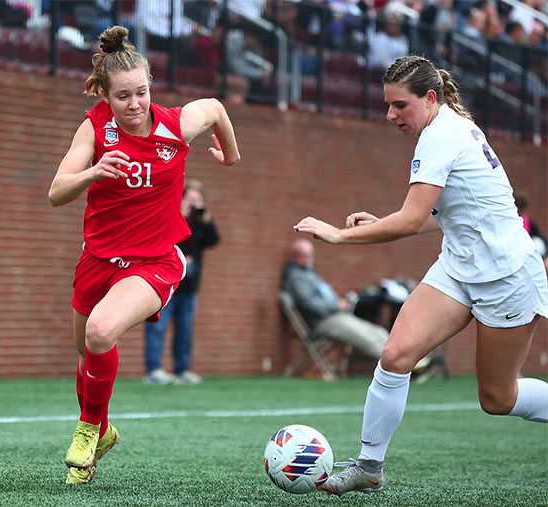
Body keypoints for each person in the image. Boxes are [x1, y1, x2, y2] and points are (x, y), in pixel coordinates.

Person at [294, 55, 548, 497]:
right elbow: (441, 211)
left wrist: (338, 235)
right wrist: (379, 221)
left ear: (430, 98)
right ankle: (369, 469)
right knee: (394, 356)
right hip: (458, 267)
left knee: (497, 399)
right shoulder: (441, 127)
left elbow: (411, 222)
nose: (390, 115)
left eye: (399, 106)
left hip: (507, 276)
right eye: (388, 105)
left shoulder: (442, 135)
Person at [47, 25, 240, 485]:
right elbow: (56, 192)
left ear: (151, 87)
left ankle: (87, 430)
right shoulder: (95, 128)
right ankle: (105, 431)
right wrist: (94, 171)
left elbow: (213, 107)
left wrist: (230, 154)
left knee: (99, 330)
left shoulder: (175, 125)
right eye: (122, 96)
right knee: (86, 350)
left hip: (154, 261)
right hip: (97, 258)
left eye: (142, 93)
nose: (134, 105)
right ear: (105, 95)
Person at [143, 179, 220, 385]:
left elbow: (214, 241)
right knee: (157, 326)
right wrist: (180, 214)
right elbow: (161, 238)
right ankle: (154, 369)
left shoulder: (200, 223)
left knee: (185, 328)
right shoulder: (171, 216)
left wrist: (207, 220)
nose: (194, 203)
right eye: (190, 198)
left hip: (189, 287)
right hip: (166, 284)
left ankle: (182, 369)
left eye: (198, 199)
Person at [282, 238, 389, 360]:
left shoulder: (309, 273)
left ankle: (405, 359)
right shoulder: (296, 277)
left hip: (336, 316)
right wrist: (336, 305)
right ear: (295, 257)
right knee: (365, 337)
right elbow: (308, 304)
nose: (310, 259)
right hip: (322, 322)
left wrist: (338, 302)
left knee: (378, 332)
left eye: (312, 255)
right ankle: (394, 364)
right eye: (306, 256)